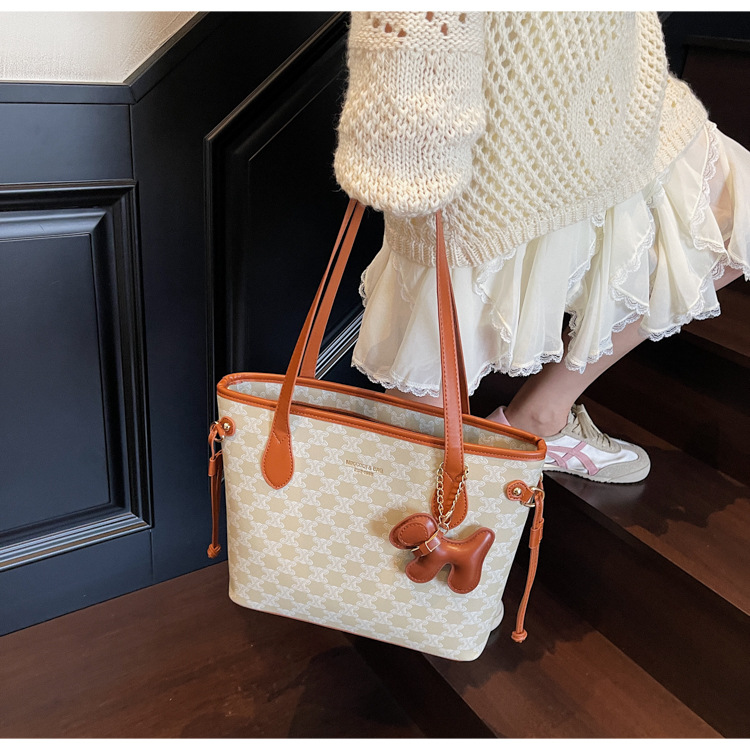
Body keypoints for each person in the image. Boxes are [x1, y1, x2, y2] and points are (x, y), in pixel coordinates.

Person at [333, 11, 749, 483]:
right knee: (427, 398)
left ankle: (541, 416)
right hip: (500, 119)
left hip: (612, 93)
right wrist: (402, 150)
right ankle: (406, 507)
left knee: (734, 216)